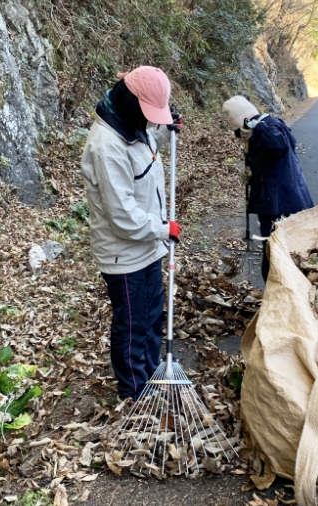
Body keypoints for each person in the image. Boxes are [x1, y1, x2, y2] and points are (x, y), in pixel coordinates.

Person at [80, 66, 183, 400]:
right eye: (150, 114)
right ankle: (134, 391)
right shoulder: (107, 146)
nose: (150, 121)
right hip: (124, 253)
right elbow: (124, 217)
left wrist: (167, 130)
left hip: (149, 247)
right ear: (132, 103)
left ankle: (152, 372)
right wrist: (163, 228)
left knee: (152, 318)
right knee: (133, 325)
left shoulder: (132, 126)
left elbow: (147, 147)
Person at [222, 95, 314, 280]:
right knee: (280, 252)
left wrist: (257, 127)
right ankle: (284, 294)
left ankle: (283, 297)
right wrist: (252, 176)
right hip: (282, 199)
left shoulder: (268, 128)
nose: (239, 135)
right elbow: (269, 163)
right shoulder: (265, 128)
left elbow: (280, 147)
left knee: (277, 254)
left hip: (280, 204)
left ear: (245, 122)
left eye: (239, 130)